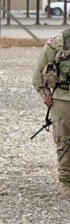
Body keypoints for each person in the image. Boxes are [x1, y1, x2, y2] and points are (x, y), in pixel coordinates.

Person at [32, 30, 70, 194]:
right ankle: (67, 183)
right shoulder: (58, 42)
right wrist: (45, 94)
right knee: (64, 141)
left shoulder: (57, 41)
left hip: (62, 99)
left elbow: (36, 75)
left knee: (64, 141)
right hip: (63, 99)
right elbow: (38, 74)